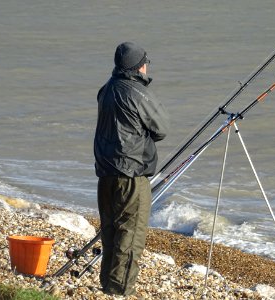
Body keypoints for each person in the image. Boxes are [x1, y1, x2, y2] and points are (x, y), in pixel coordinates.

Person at [94, 41, 169, 297]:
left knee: (111, 233)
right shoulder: (138, 92)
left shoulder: (106, 89)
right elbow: (161, 128)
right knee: (130, 236)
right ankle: (119, 292)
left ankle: (108, 288)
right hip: (131, 177)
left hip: (105, 174)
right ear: (141, 66)